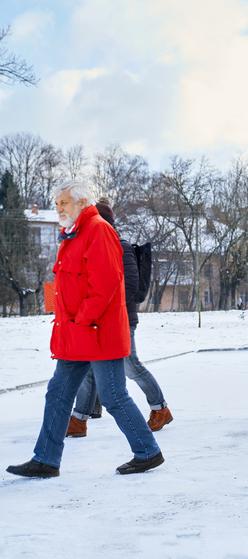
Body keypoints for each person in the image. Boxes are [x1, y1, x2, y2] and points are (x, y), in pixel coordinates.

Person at [6, 180, 163, 478]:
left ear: (82, 202)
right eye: (56, 204)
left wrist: (81, 319)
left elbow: (104, 286)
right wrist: (61, 318)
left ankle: (148, 452)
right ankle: (46, 460)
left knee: (113, 396)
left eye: (64, 202)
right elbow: (64, 284)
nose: (59, 208)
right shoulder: (71, 235)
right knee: (58, 393)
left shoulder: (98, 230)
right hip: (76, 335)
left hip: (98, 331)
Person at [65, 201, 173, 438]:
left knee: (130, 366)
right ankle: (78, 420)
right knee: (89, 369)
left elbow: (131, 286)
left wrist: (101, 300)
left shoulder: (120, 247)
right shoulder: (98, 246)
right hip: (98, 319)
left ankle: (160, 409)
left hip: (121, 319)